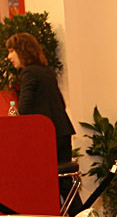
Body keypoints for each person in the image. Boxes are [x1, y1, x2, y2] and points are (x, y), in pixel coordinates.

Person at [6, 32, 76, 165]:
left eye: (11, 51)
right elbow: (60, 103)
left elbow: (24, 108)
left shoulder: (28, 73)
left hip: (45, 135)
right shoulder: (47, 71)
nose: (9, 56)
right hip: (62, 131)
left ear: (22, 51)